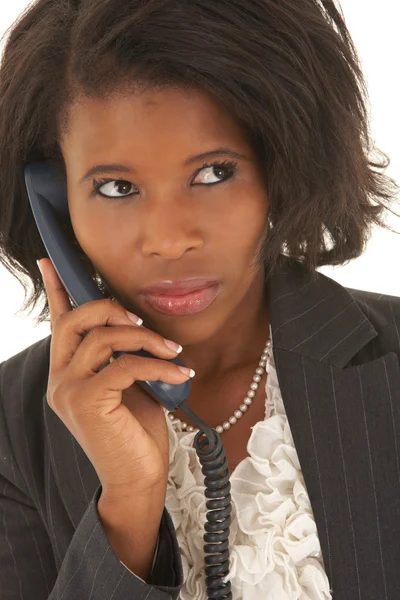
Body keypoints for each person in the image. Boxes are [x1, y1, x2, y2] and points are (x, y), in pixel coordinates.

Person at [0, 0, 399, 598]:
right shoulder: (12, 427)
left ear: (280, 166)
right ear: (54, 203)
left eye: (213, 173)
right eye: (116, 187)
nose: (168, 240)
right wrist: (130, 505)